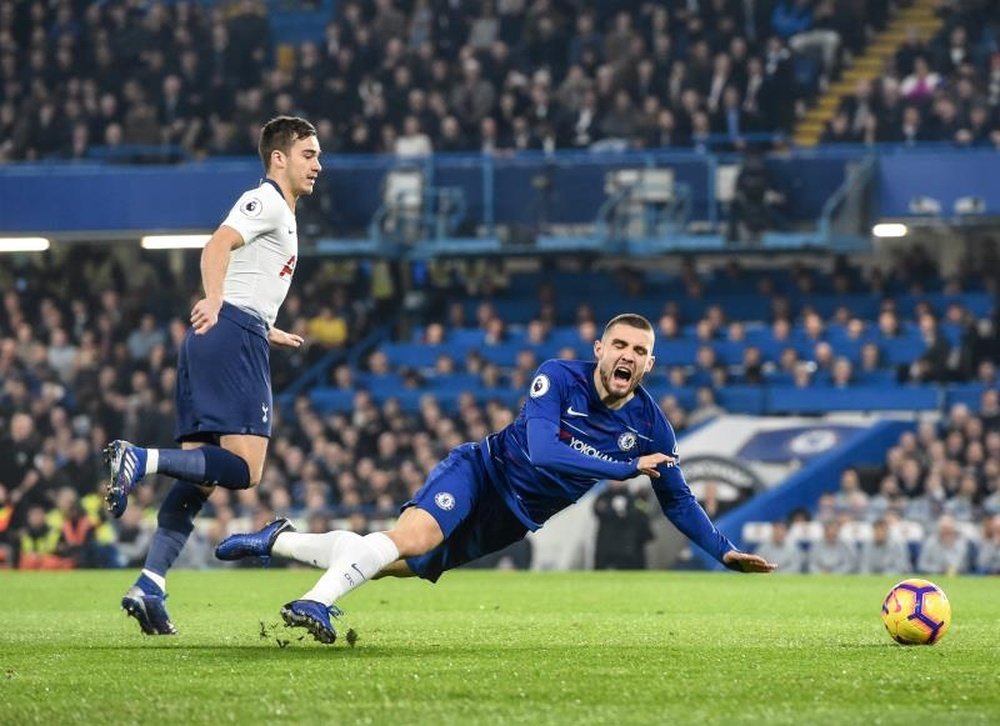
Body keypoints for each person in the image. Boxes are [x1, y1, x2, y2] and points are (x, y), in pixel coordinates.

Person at [217, 314, 776, 644]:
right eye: (621, 345)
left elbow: (678, 501)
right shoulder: (558, 377)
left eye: (641, 351)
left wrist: (723, 551)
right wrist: (623, 468)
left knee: (391, 562)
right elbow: (543, 449)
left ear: (650, 365)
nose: (628, 356)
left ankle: (278, 539)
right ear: (600, 350)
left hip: (512, 519)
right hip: (481, 472)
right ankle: (314, 602)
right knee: (414, 537)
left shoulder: (653, 427)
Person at [103, 115, 322, 635]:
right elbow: (216, 245)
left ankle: (150, 584)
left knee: (201, 479)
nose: (318, 165)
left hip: (230, 334)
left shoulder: (282, 213)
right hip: (229, 334)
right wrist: (220, 302)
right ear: (279, 158)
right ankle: (140, 457)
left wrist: (268, 328)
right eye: (309, 155)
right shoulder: (266, 199)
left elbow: (247, 277)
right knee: (245, 470)